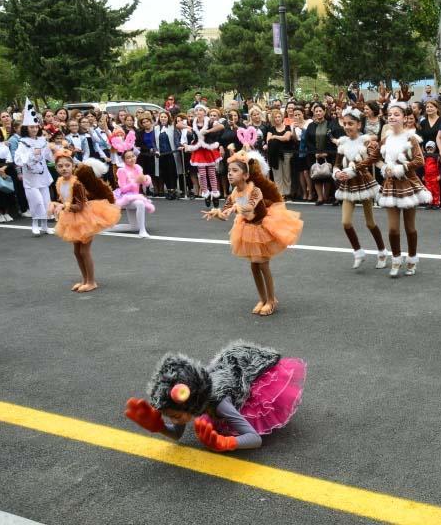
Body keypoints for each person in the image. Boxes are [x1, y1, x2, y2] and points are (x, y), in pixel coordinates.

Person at [124, 341, 306, 451]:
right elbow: (177, 434)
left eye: (176, 416)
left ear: (192, 405)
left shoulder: (219, 403)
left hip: (249, 367)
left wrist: (225, 442)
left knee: (251, 405)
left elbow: (254, 438)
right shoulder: (184, 404)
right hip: (220, 372)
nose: (174, 420)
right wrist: (160, 427)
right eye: (170, 416)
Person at [202, 152, 303, 316]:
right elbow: (225, 214)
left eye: (234, 171)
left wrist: (236, 208)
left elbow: (249, 206)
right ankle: (262, 299)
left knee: (263, 264)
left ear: (246, 175)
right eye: (229, 171)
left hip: (262, 227)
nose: (230, 174)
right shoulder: (234, 193)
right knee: (254, 265)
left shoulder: (254, 190)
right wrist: (216, 213)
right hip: (247, 228)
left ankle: (271, 300)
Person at [371, 103, 431, 277]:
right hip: (390, 185)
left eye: (396, 114)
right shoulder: (385, 139)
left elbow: (420, 161)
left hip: (408, 183)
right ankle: (396, 260)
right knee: (392, 229)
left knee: (410, 227)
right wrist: (384, 167)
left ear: (405, 118)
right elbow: (373, 158)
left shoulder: (410, 138)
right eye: (389, 114)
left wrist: (401, 167)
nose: (391, 117)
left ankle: (412, 259)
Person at [50, 154, 121, 293]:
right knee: (77, 251)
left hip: (85, 218)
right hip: (71, 218)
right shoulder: (59, 182)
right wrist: (55, 204)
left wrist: (64, 206)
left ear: (72, 166)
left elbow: (80, 206)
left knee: (84, 250)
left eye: (67, 165)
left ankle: (91, 281)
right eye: (60, 166)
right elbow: (65, 199)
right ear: (56, 168)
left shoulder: (76, 183)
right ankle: (84, 279)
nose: (64, 168)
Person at [333, 107, 388, 270]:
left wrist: (354, 170)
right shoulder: (342, 142)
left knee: (370, 223)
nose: (347, 126)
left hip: (364, 183)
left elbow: (373, 159)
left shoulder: (365, 141)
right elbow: (336, 163)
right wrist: (337, 173)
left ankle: (382, 251)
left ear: (358, 124)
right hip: (348, 185)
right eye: (345, 123)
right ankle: (358, 251)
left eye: (351, 123)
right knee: (346, 222)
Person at [110, 132, 154, 238]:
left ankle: (107, 228)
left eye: (133, 156)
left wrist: (146, 179)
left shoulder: (138, 167)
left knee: (134, 227)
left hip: (134, 196)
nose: (132, 159)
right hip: (124, 197)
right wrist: (135, 182)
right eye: (128, 158)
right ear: (124, 160)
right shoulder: (121, 170)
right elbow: (123, 189)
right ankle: (142, 231)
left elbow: (144, 182)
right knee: (140, 203)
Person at [14, 114, 53, 236]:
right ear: (26, 128)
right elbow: (18, 160)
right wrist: (31, 154)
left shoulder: (42, 140)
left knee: (46, 201)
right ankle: (35, 224)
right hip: (31, 178)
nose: (35, 129)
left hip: (43, 176)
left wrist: (57, 151)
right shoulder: (22, 142)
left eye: (36, 127)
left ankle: (45, 226)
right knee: (37, 201)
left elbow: (49, 156)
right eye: (32, 127)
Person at [185, 105, 224, 207]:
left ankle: (215, 194)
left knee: (211, 173)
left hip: (208, 148)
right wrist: (187, 127)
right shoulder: (192, 122)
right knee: (201, 174)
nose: (198, 112)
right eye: (197, 110)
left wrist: (208, 131)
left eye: (201, 110)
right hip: (198, 150)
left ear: (204, 112)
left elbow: (221, 126)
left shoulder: (209, 121)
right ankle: (206, 193)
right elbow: (178, 125)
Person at [422, 141, 441, 210]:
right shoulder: (425, 157)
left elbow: (440, 166)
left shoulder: (437, 157)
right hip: (427, 177)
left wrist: (439, 175)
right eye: (428, 149)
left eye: (431, 149)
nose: (429, 151)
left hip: (435, 176)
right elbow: (423, 167)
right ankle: (430, 203)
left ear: (434, 149)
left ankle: (436, 203)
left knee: (435, 190)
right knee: (428, 191)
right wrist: (423, 175)